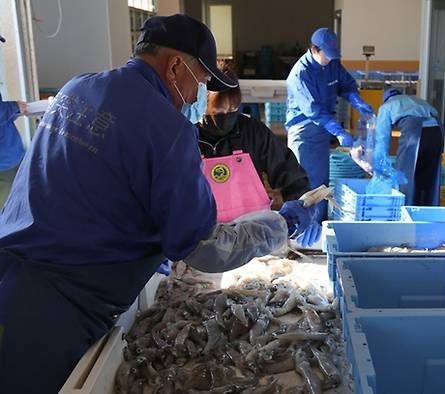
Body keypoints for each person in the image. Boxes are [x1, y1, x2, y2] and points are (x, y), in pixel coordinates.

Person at [0, 15, 307, 392]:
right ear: (176, 66)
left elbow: (91, 185)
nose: (196, 97)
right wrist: (280, 225)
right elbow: (205, 249)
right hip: (54, 311)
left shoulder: (75, 88)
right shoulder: (168, 128)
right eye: (200, 81)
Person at [198, 63, 322, 247]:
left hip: (253, 239)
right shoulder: (187, 135)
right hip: (202, 241)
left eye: (232, 110)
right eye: (218, 111)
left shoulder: (252, 132)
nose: (226, 116)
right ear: (202, 103)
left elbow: (288, 171)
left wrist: (302, 205)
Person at [286, 27, 374, 218]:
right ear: (315, 49)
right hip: (303, 131)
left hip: (323, 130)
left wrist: (357, 101)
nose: (330, 59)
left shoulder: (332, 65)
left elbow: (346, 85)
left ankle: (319, 227)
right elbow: (313, 110)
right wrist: (339, 131)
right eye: (327, 54)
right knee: (303, 183)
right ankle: (301, 231)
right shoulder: (300, 74)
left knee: (321, 183)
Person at [373, 88, 444, 206]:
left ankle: (404, 210)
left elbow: (382, 138)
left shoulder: (386, 106)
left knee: (405, 174)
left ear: (385, 99)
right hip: (436, 133)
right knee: (429, 176)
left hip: (415, 132)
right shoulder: (417, 100)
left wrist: (379, 165)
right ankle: (427, 210)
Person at [0, 94, 26, 207]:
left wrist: (14, 112)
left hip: (13, 155)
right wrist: (13, 107)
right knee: (8, 206)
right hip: (5, 164)